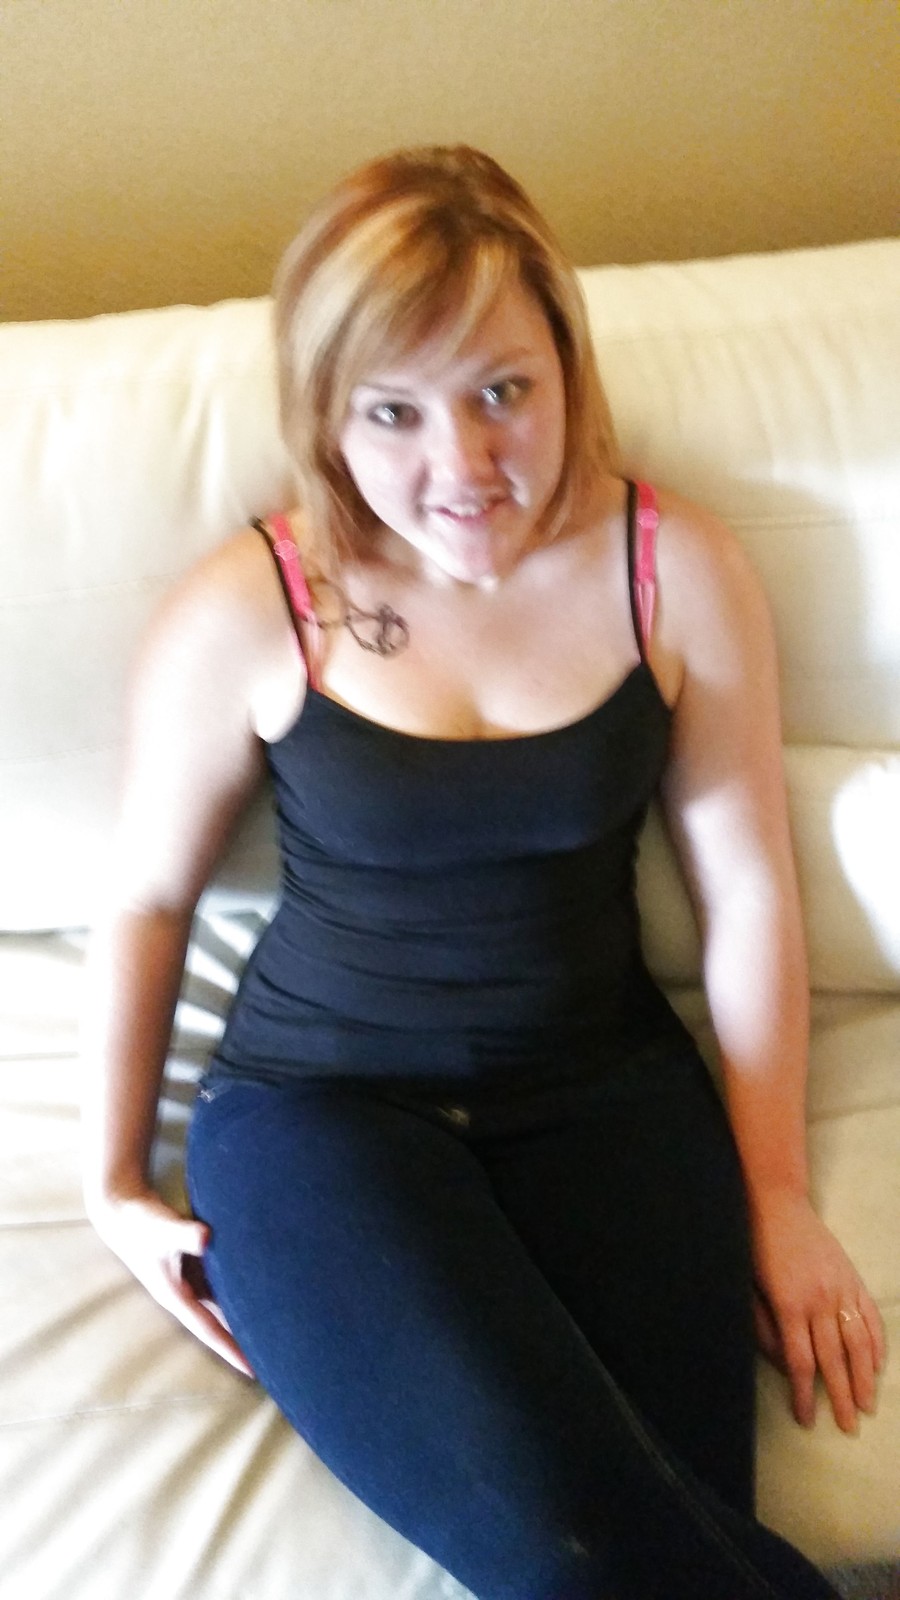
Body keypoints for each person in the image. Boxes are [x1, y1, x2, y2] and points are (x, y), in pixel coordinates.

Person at [82, 146, 885, 1600]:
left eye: (502, 390)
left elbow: (749, 890)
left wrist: (775, 1195)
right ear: (327, 413)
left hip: (608, 1098)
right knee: (576, 1552)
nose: (461, 466)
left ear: (567, 366)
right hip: (325, 1117)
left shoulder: (678, 573)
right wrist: (112, 1179)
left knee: (669, 1525)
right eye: (394, 410)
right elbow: (145, 896)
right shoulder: (255, 603)